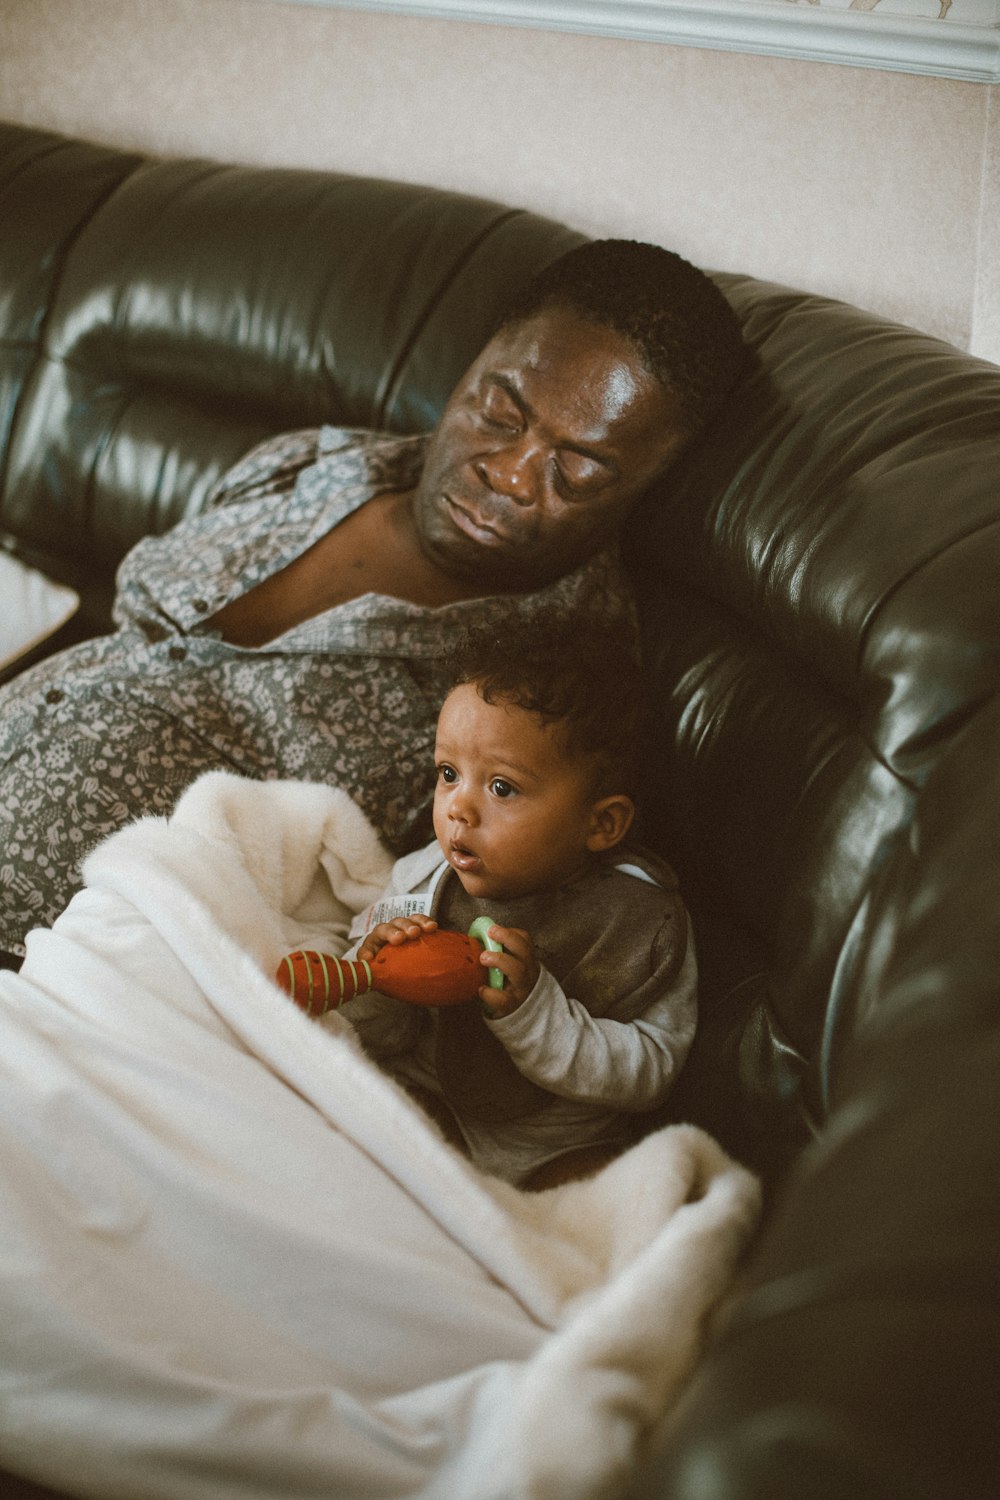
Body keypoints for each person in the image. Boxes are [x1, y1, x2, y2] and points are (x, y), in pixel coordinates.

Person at [0, 239, 746, 956]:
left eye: (577, 473)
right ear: (471, 366)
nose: (513, 475)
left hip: (61, 965)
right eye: (499, 413)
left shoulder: (561, 687)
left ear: (643, 495)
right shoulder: (317, 463)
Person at [335, 615, 697, 1191]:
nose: (458, 809)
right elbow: (373, 1031)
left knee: (629, 1182)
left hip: (548, 1145)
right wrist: (372, 972)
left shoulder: (635, 922)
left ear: (601, 823)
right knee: (343, 1102)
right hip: (427, 1098)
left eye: (501, 787)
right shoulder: (425, 877)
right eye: (448, 774)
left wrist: (534, 1013)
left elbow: (649, 1074)